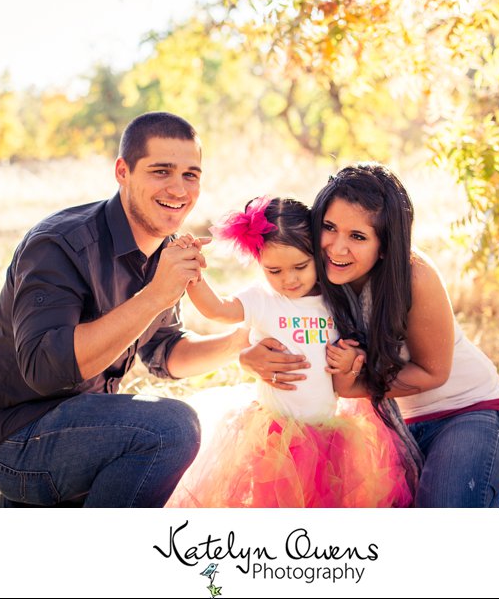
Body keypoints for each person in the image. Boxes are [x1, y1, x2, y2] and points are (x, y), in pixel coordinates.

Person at [0, 112, 249, 507]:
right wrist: (155, 295)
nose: (179, 189)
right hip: (13, 434)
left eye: (190, 175)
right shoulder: (60, 244)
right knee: (172, 428)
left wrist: (240, 344)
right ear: (122, 172)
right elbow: (45, 371)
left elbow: (165, 353)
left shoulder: (165, 249)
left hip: (82, 422)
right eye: (161, 171)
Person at [241, 163, 499, 508]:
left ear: (385, 245)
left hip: (464, 412)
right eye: (329, 227)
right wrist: (247, 357)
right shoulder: (309, 272)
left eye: (358, 236)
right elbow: (264, 318)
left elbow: (433, 372)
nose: (337, 248)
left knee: (441, 518)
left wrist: (354, 386)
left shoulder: (413, 276)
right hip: (394, 423)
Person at [166, 196, 415, 507]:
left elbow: (351, 352)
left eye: (300, 266)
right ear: (260, 265)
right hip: (275, 437)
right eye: (274, 271)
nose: (289, 279)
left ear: (317, 255)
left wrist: (350, 359)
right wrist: (193, 276)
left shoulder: (333, 300)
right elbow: (218, 309)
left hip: (329, 434)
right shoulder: (263, 299)